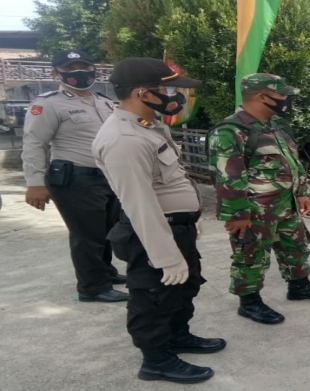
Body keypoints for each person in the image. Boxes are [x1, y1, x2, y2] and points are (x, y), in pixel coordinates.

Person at [92, 57, 225, 384]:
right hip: (153, 232)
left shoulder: (147, 125)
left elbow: (169, 180)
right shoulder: (125, 138)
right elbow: (139, 203)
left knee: (184, 287)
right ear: (144, 93)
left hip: (175, 226)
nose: (176, 96)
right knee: (153, 295)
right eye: (169, 88)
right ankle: (155, 359)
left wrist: (189, 217)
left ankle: (178, 336)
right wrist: (164, 256)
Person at [207, 73, 310, 326]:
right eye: (281, 95)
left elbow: (293, 162)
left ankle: (300, 286)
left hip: (285, 204)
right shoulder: (230, 131)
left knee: (296, 246)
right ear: (261, 96)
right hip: (254, 210)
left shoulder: (276, 126)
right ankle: (249, 302)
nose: (286, 99)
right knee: (251, 255)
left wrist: (301, 192)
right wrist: (238, 215)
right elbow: (227, 177)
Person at [21, 49, 127, 303]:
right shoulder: (48, 103)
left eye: (85, 66)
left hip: (107, 176)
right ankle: (92, 287)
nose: (80, 72)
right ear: (56, 73)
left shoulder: (103, 101)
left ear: (93, 69)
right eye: (70, 68)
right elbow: (34, 143)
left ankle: (105, 272)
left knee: (107, 229)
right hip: (75, 178)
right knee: (86, 234)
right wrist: (35, 183)